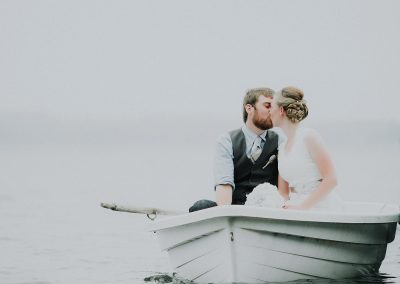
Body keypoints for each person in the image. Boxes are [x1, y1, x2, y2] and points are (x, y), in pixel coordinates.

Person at [189, 88, 279, 212]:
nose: (272, 111)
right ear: (249, 108)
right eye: (267, 105)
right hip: (235, 209)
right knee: (201, 206)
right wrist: (227, 216)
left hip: (268, 211)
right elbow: (224, 185)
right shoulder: (227, 140)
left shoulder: (281, 141)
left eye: (274, 107)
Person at [265, 86, 341, 210]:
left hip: (320, 207)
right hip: (294, 208)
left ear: (281, 110)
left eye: (271, 107)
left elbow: (331, 179)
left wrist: (303, 207)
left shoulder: (309, 137)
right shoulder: (282, 149)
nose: (269, 112)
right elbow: (283, 193)